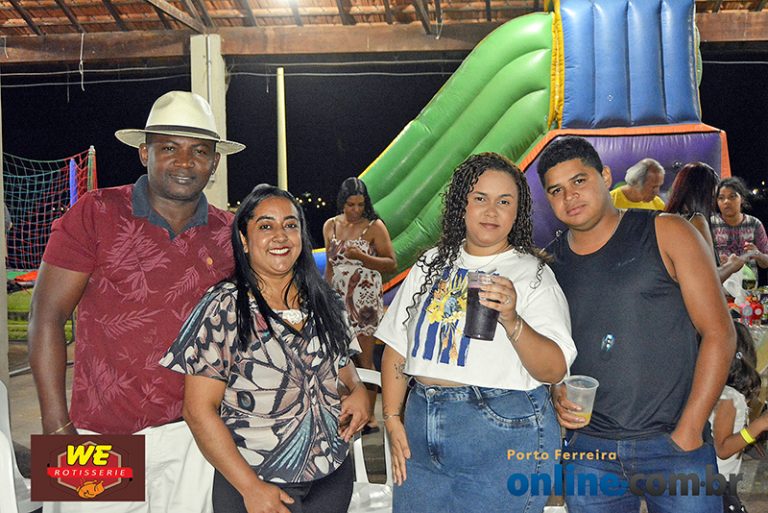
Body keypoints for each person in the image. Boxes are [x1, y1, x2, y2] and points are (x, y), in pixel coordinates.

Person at [27, 90, 245, 513]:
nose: (185, 162)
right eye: (169, 148)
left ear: (215, 162)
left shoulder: (230, 234)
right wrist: (56, 429)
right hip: (95, 436)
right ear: (145, 153)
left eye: (200, 151)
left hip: (198, 440)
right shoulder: (95, 212)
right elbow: (47, 315)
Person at [537, 136, 735, 513]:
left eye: (579, 180)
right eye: (556, 190)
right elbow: (553, 353)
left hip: (675, 444)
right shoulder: (550, 265)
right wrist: (557, 390)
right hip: (591, 450)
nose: (569, 196)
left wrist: (690, 429)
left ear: (605, 176)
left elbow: (719, 332)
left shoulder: (667, 231)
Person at [376, 152, 576, 513]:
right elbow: (396, 347)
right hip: (421, 427)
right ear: (461, 205)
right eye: (480, 198)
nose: (491, 211)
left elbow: (554, 369)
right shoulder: (430, 264)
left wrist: (512, 320)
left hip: (503, 432)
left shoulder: (533, 274)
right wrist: (392, 417)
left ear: (517, 211)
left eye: (505, 202)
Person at [161, 184, 369, 513]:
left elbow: (345, 372)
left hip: (332, 476)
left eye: (290, 225)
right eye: (265, 226)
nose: (280, 236)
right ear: (244, 240)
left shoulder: (325, 300)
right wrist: (250, 488)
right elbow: (198, 411)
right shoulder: (223, 307)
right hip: (258, 483)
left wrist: (358, 391)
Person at [323, 177, 396, 433]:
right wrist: (324, 297)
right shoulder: (330, 226)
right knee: (340, 358)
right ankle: (345, 411)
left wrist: (362, 257)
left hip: (364, 301)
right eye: (351, 204)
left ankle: (370, 416)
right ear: (342, 203)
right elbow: (330, 267)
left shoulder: (374, 227)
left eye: (360, 205)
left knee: (365, 360)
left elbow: (391, 263)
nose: (355, 210)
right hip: (339, 299)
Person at [710, 321, 767, 513]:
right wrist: (759, 425)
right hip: (718, 486)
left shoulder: (717, 393)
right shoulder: (729, 398)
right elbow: (723, 448)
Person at [664, 162, 745, 282]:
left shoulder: (666, 219)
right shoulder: (696, 221)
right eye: (713, 196)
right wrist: (731, 266)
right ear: (703, 194)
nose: (713, 202)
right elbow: (709, 280)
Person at [712, 176, 768, 285]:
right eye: (721, 198)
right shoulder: (710, 224)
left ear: (741, 198)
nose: (726, 201)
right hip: (720, 288)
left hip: (748, 289)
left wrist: (757, 254)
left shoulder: (754, 224)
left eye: (732, 196)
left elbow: (765, 263)